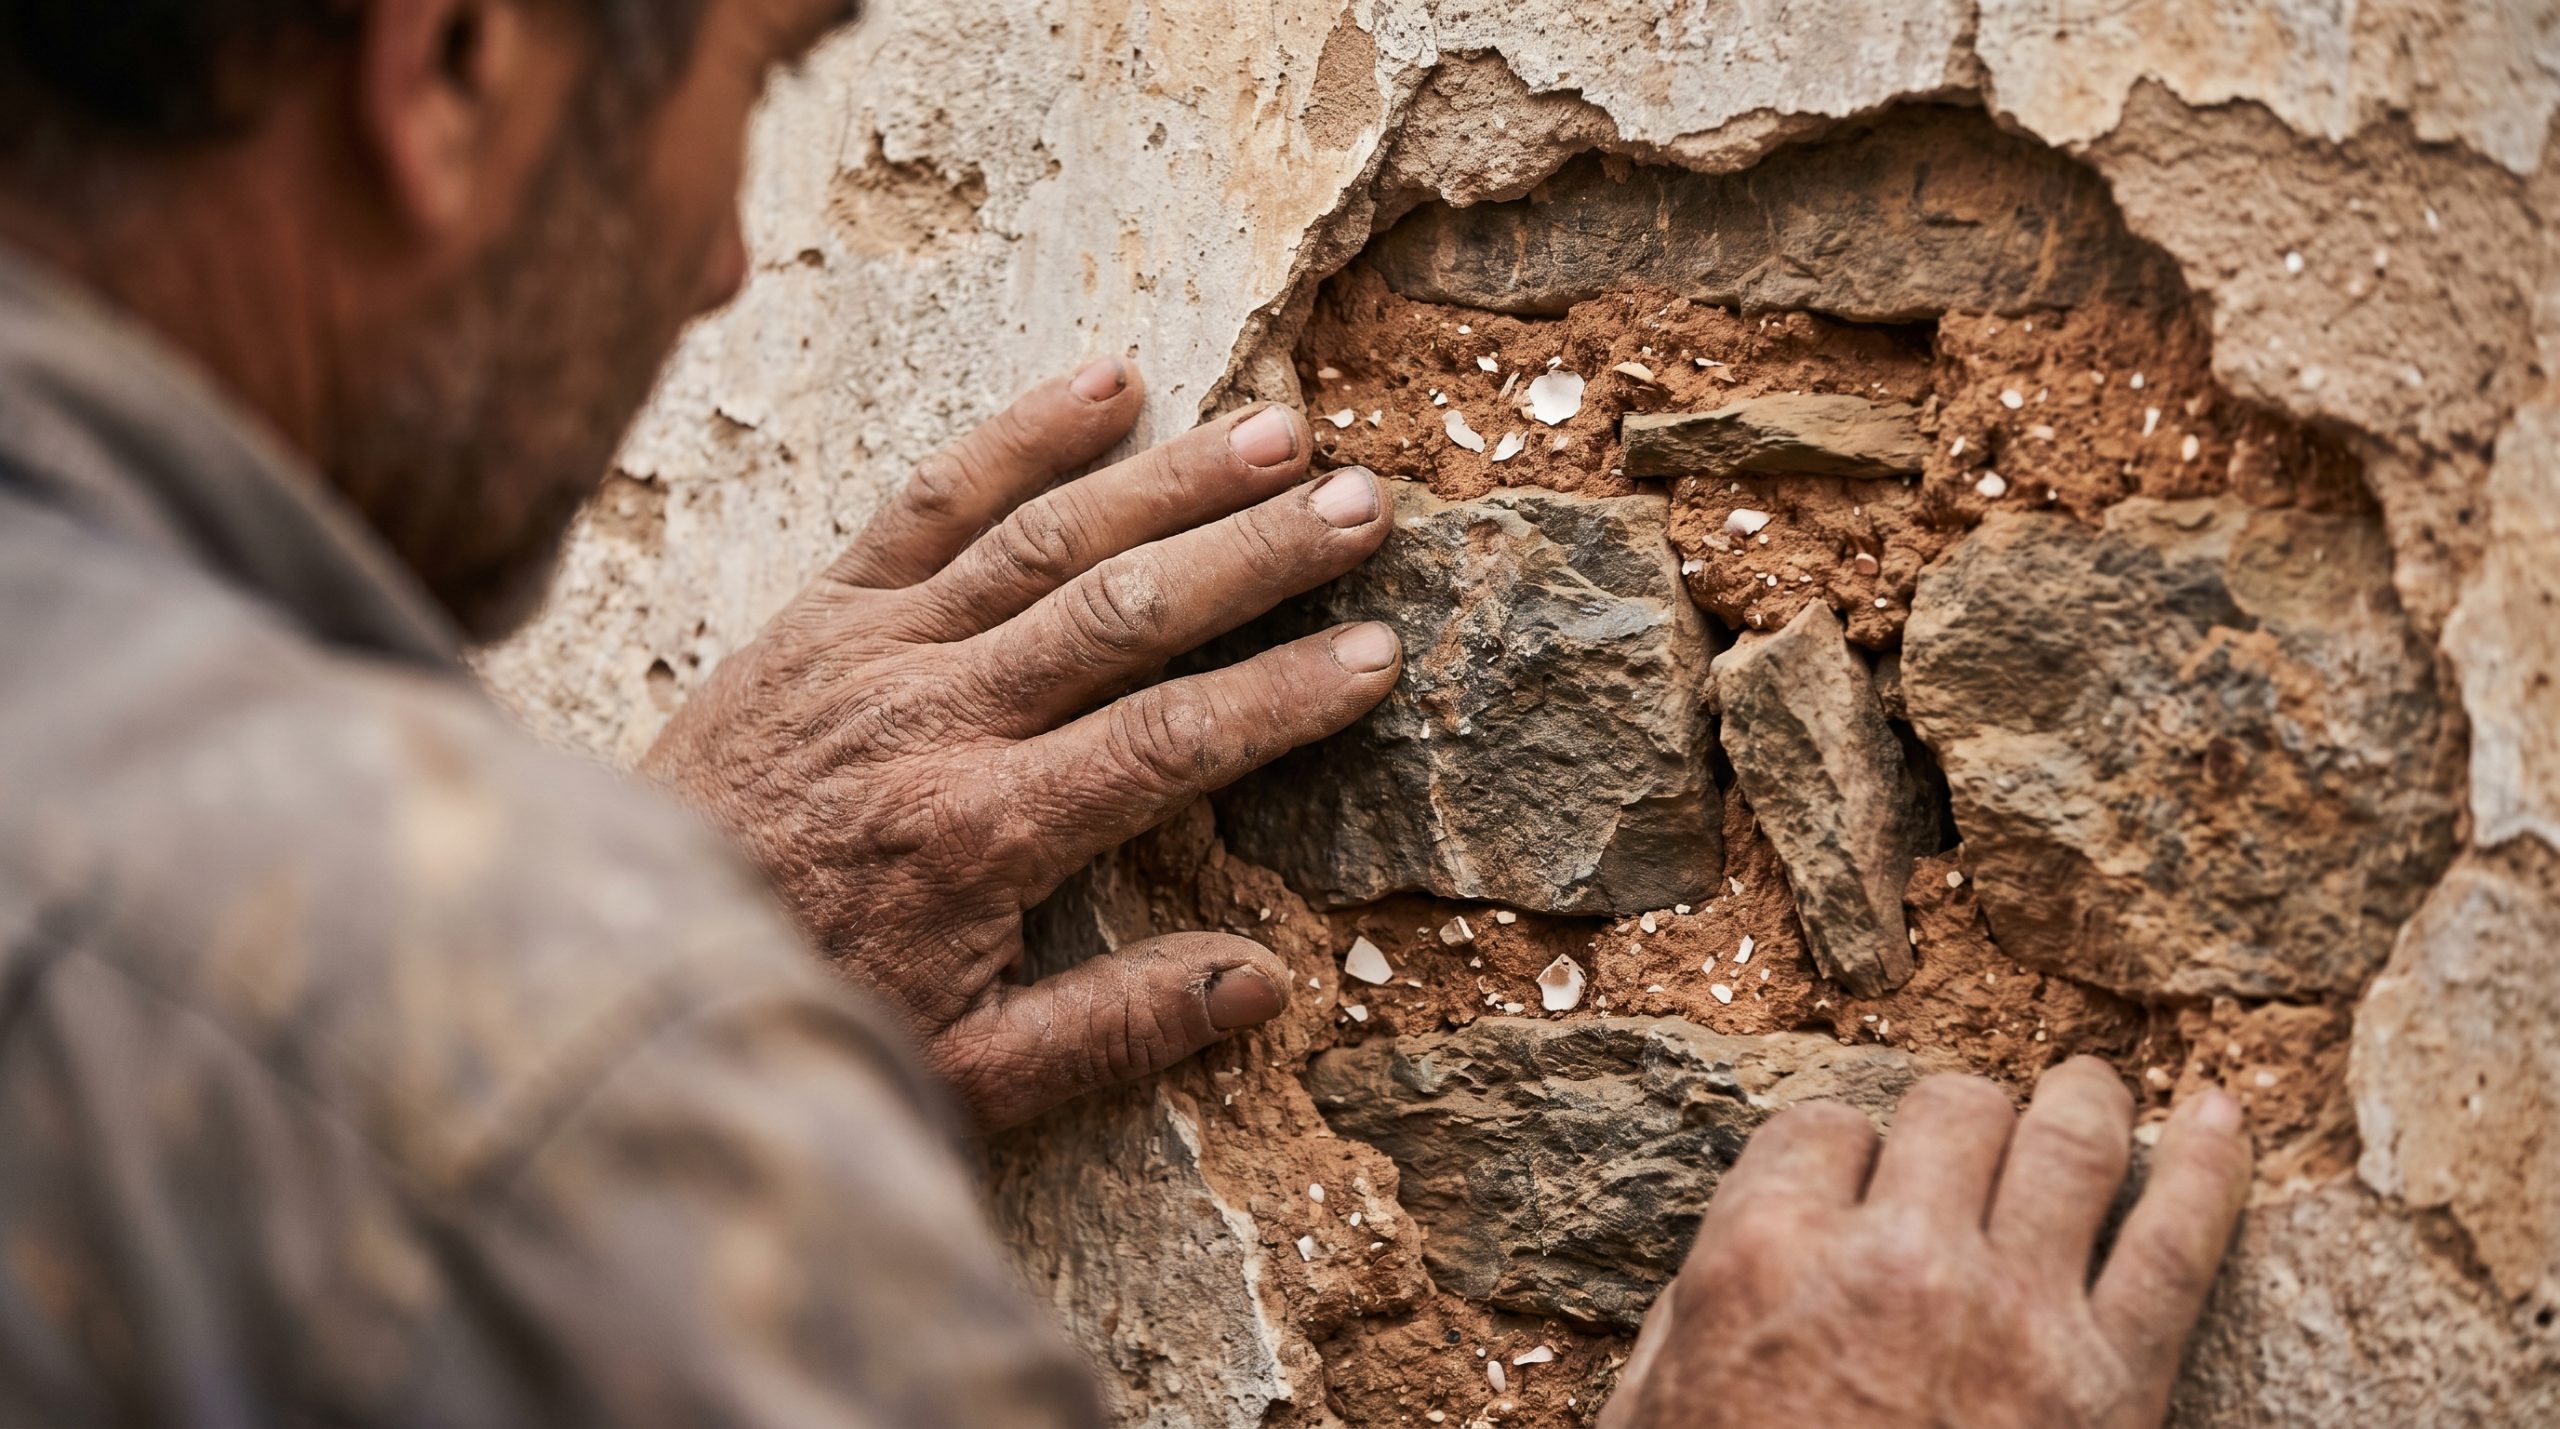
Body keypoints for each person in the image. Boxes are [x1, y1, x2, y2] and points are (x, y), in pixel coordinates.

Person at [0, 0, 2253, 1423]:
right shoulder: (498, 1052)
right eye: (749, 78)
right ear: (456, 60)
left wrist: (545, 1007)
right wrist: (554, 1043)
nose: (712, 264)